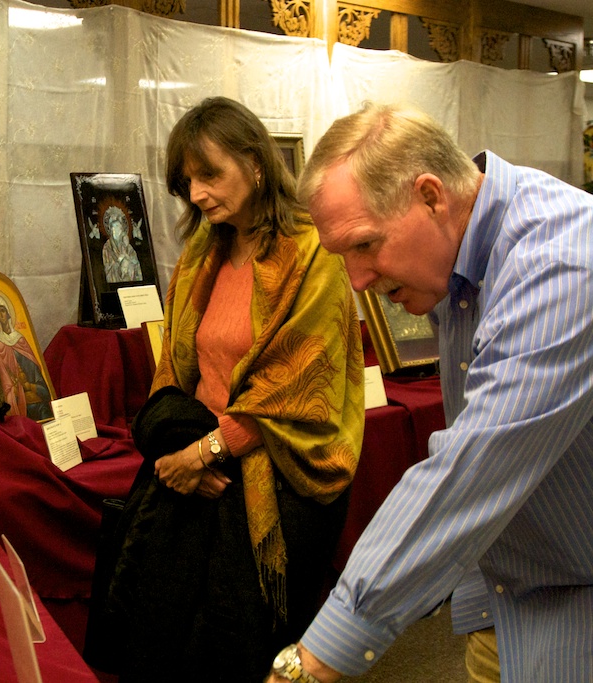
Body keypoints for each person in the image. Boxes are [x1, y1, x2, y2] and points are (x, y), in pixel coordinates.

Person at [266, 104, 593, 683]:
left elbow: (472, 467)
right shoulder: (463, 256)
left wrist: (310, 665)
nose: (358, 280)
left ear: (431, 195)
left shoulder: (559, 264)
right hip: (509, 596)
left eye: (365, 246)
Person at [100, 97, 364, 682]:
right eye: (185, 183)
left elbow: (298, 391)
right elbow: (175, 370)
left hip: (279, 482)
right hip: (204, 473)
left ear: (257, 165)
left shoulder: (314, 255)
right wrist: (182, 452)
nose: (196, 195)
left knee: (239, 646)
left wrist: (204, 453)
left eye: (209, 175)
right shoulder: (203, 253)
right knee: (171, 641)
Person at [0, 295, 53, 421]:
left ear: (8, 314)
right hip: (18, 397)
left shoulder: (21, 339)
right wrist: (15, 390)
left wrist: (31, 386)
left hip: (36, 395)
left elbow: (35, 368)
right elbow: (3, 375)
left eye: (3, 311)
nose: (1, 314)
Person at [101, 204, 143, 283]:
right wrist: (120, 261)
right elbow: (108, 267)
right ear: (111, 230)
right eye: (114, 227)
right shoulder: (107, 247)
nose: (117, 230)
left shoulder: (128, 246)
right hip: (116, 278)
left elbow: (135, 261)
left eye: (118, 227)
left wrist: (129, 261)